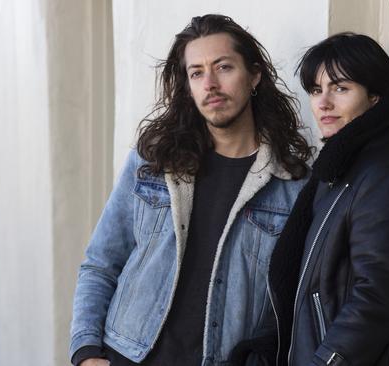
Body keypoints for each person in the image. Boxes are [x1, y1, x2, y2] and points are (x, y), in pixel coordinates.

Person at [69, 14, 312, 366]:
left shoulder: (292, 185)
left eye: (224, 67)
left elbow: (289, 304)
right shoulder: (154, 159)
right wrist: (86, 352)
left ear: (254, 75)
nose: (210, 83)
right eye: (196, 72)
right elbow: (101, 262)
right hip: (126, 354)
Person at [267, 33, 389, 365]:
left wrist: (325, 361)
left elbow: (378, 299)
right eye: (316, 90)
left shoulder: (383, 177)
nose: (323, 103)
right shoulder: (336, 174)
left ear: (374, 97)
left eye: (340, 88)